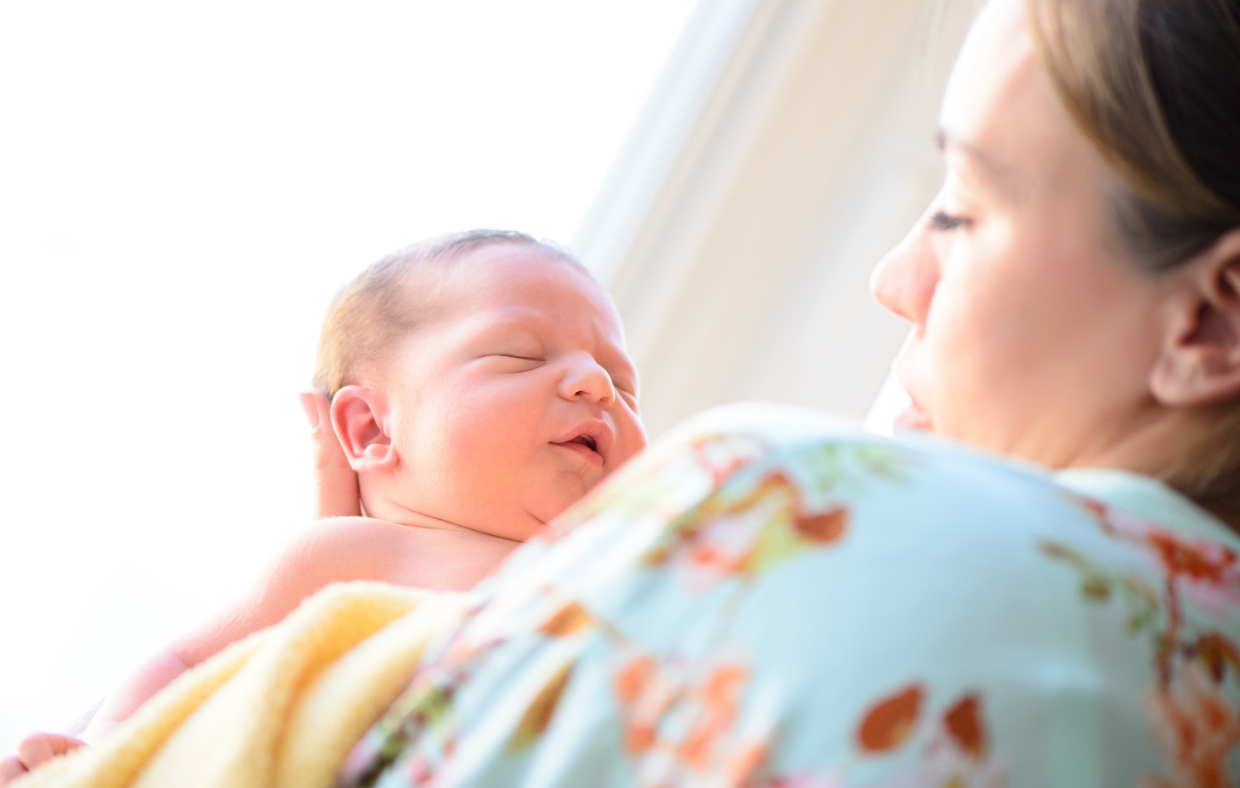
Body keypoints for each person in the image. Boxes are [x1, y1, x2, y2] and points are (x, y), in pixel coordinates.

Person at [303, 0, 1238, 784]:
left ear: (1213, 323)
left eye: (962, 209)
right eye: (515, 358)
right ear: (368, 425)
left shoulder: (791, 516)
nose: (893, 276)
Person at [0, 230, 646, 784]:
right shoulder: (356, 554)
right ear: (370, 430)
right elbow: (185, 664)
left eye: (623, 385)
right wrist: (107, 755)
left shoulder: (627, 564)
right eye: (519, 356)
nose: (594, 385)